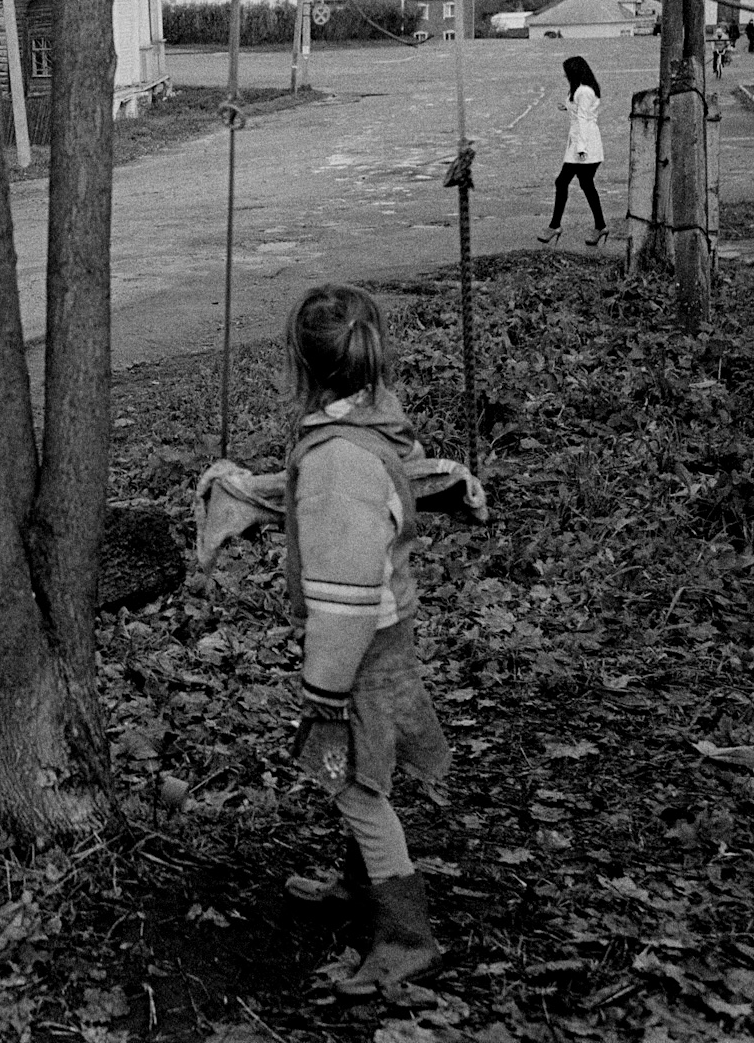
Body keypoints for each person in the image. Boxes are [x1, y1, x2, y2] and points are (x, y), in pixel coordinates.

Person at [280, 284, 451, 996]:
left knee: (353, 785)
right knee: (360, 773)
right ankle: (360, 883)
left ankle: (406, 934)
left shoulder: (336, 464)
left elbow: (346, 597)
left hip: (359, 648)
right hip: (385, 632)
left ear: (300, 365)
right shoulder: (368, 429)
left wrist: (322, 693)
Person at [539, 55, 608, 248]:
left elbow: (584, 120)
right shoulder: (581, 90)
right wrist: (567, 107)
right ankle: (600, 226)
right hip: (581, 142)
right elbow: (580, 113)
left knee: (564, 182)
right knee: (585, 184)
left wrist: (581, 149)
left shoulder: (583, 91)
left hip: (584, 144)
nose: (564, 75)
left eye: (566, 72)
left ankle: (555, 226)